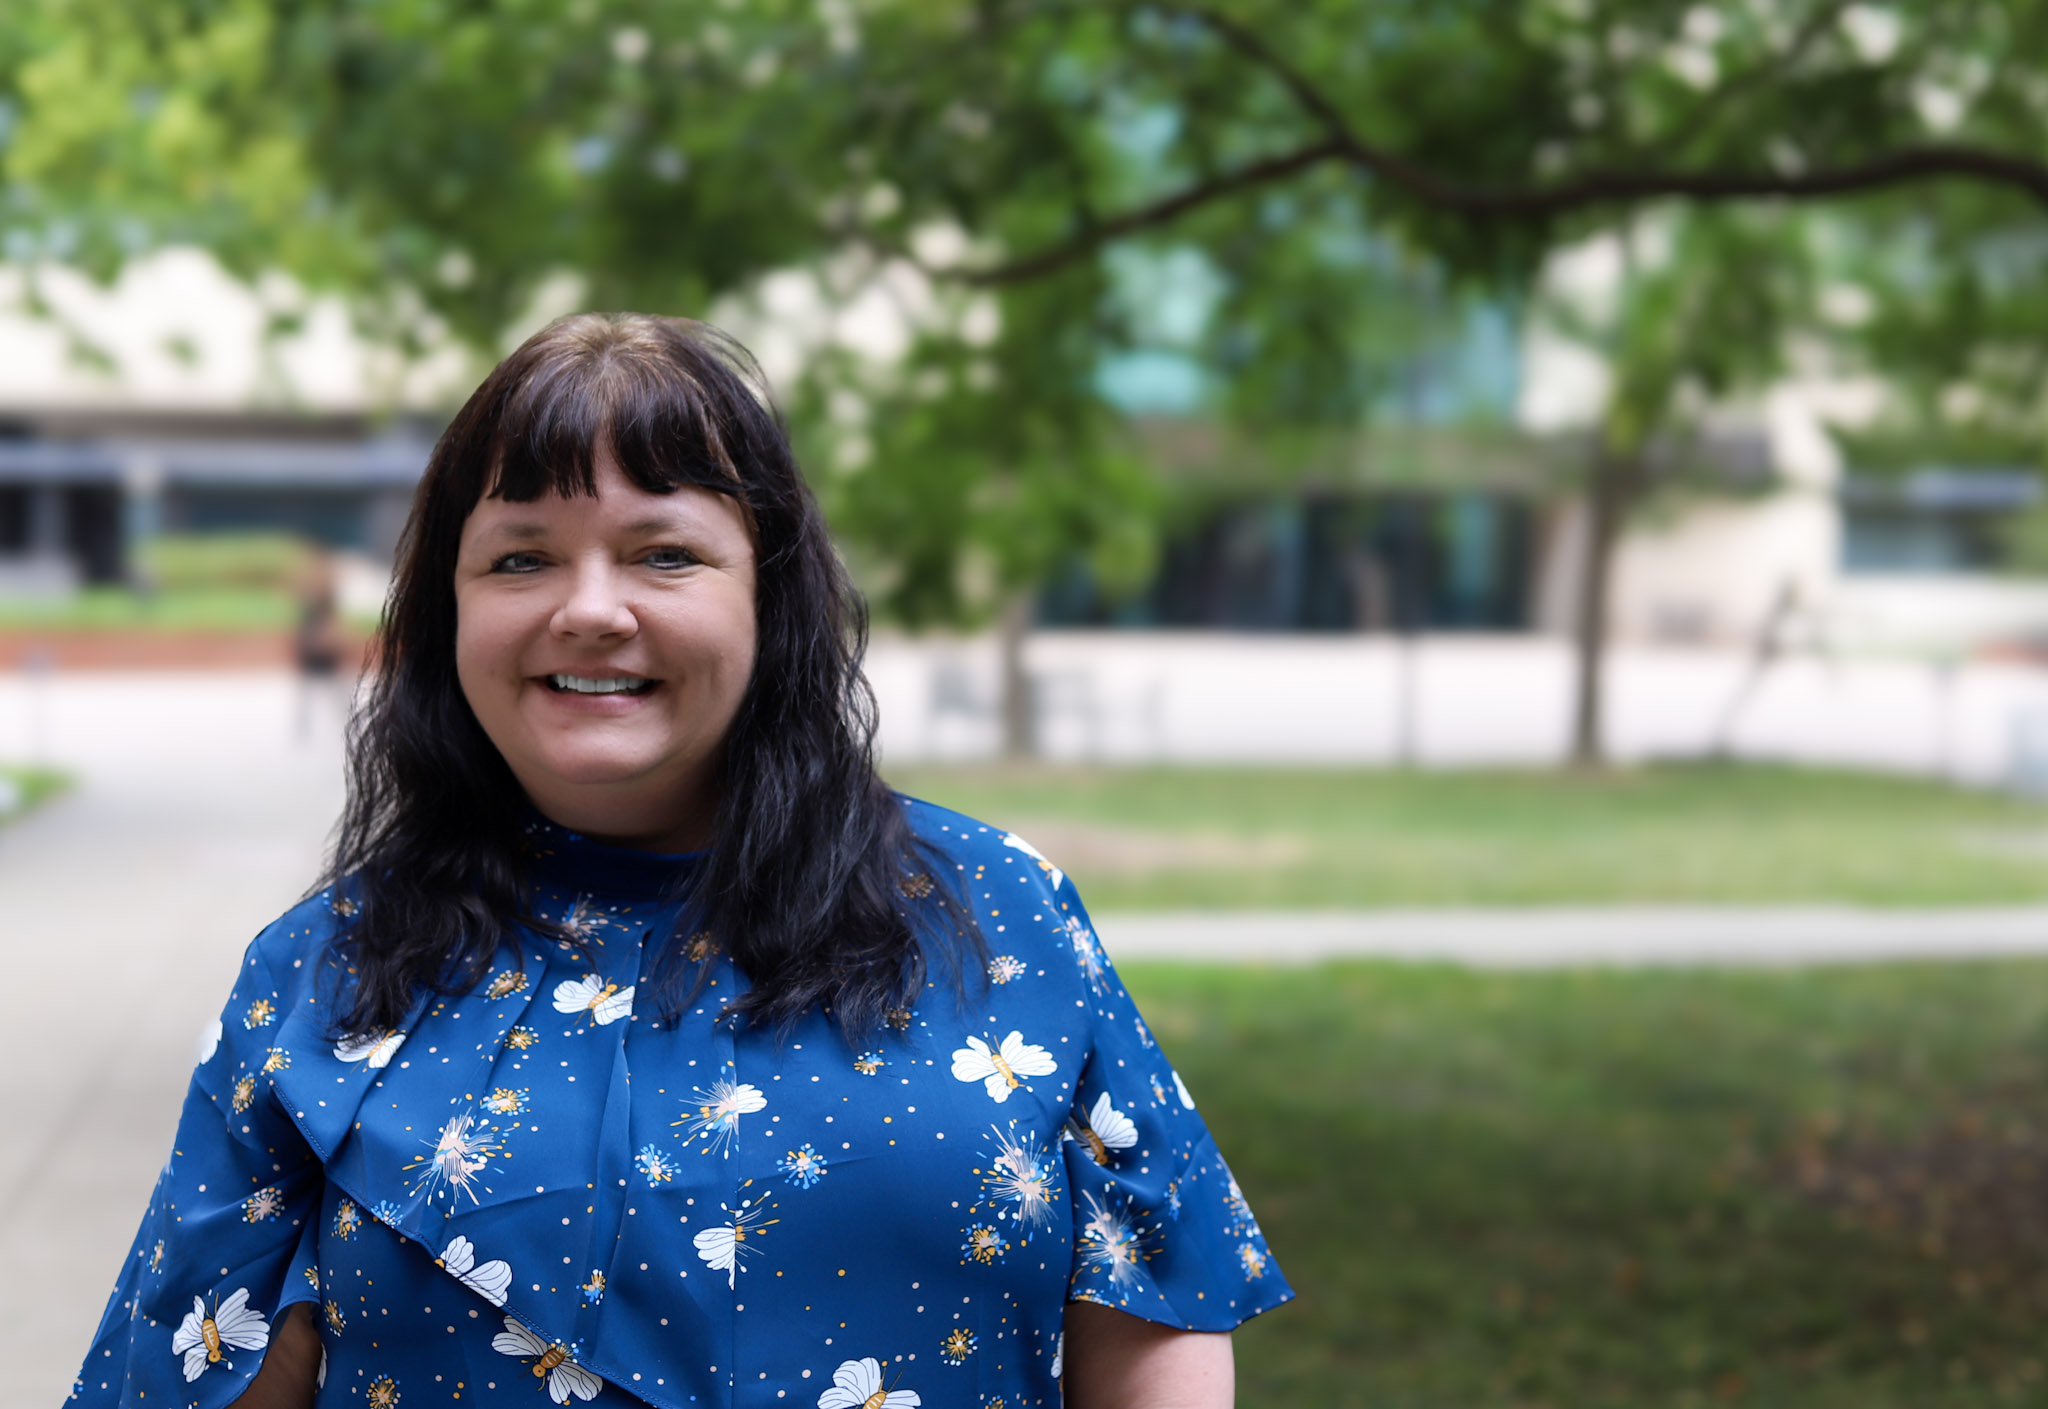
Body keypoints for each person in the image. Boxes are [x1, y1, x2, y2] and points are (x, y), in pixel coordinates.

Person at [71, 313, 1291, 1409]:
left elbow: (1153, 1315)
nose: (590, 608)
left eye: (663, 552)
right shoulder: (320, 972)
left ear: (770, 597)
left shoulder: (997, 909)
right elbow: (195, 1369)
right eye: (519, 556)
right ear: (446, 617)